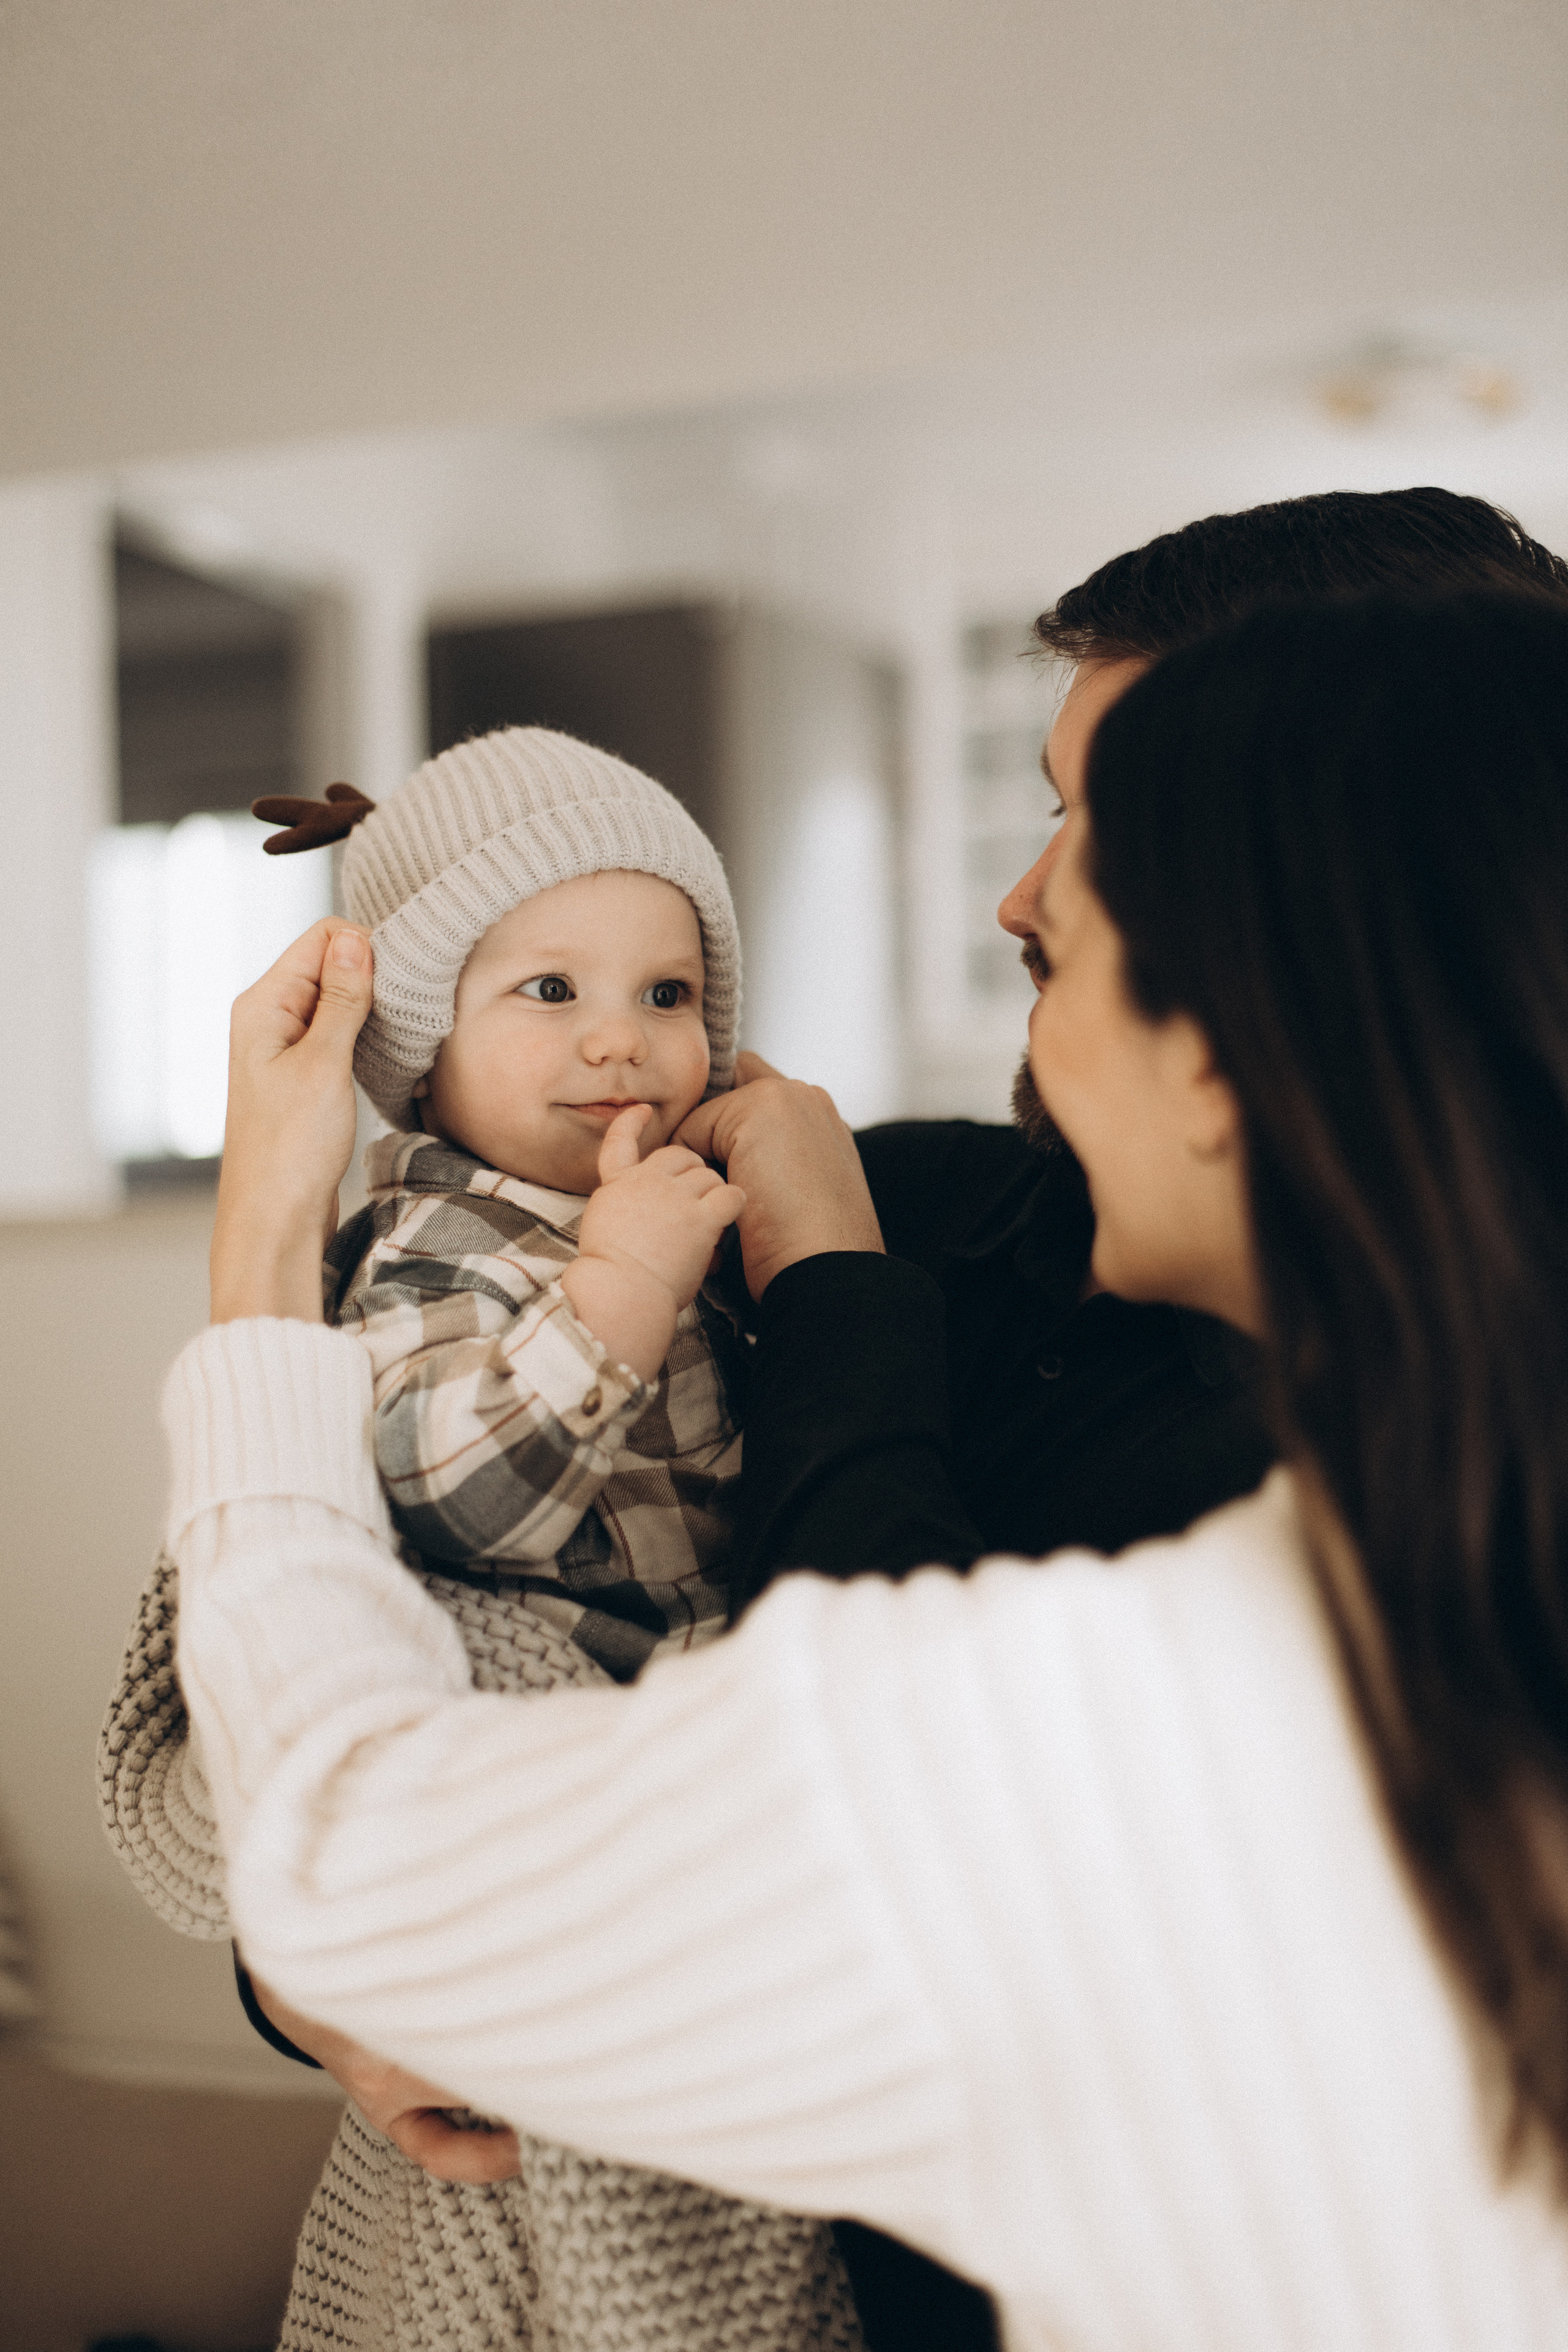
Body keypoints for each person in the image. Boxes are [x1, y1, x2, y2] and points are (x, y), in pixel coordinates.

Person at [165, 587, 1568, 2350]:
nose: (1016, 897)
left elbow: (344, 1829)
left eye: (1082, 829)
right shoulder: (894, 1192)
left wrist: (259, 1252)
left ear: (1224, 1045)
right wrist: (327, 1995)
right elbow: (305, 1707)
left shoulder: (1168, 1693)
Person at [101, 726, 874, 2352]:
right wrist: (616, 1299)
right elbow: (446, 1494)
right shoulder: (431, 1245)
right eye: (549, 994)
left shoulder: (681, 1194)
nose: (623, 1044)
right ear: (411, 1040)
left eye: (670, 996)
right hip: (519, 1745)